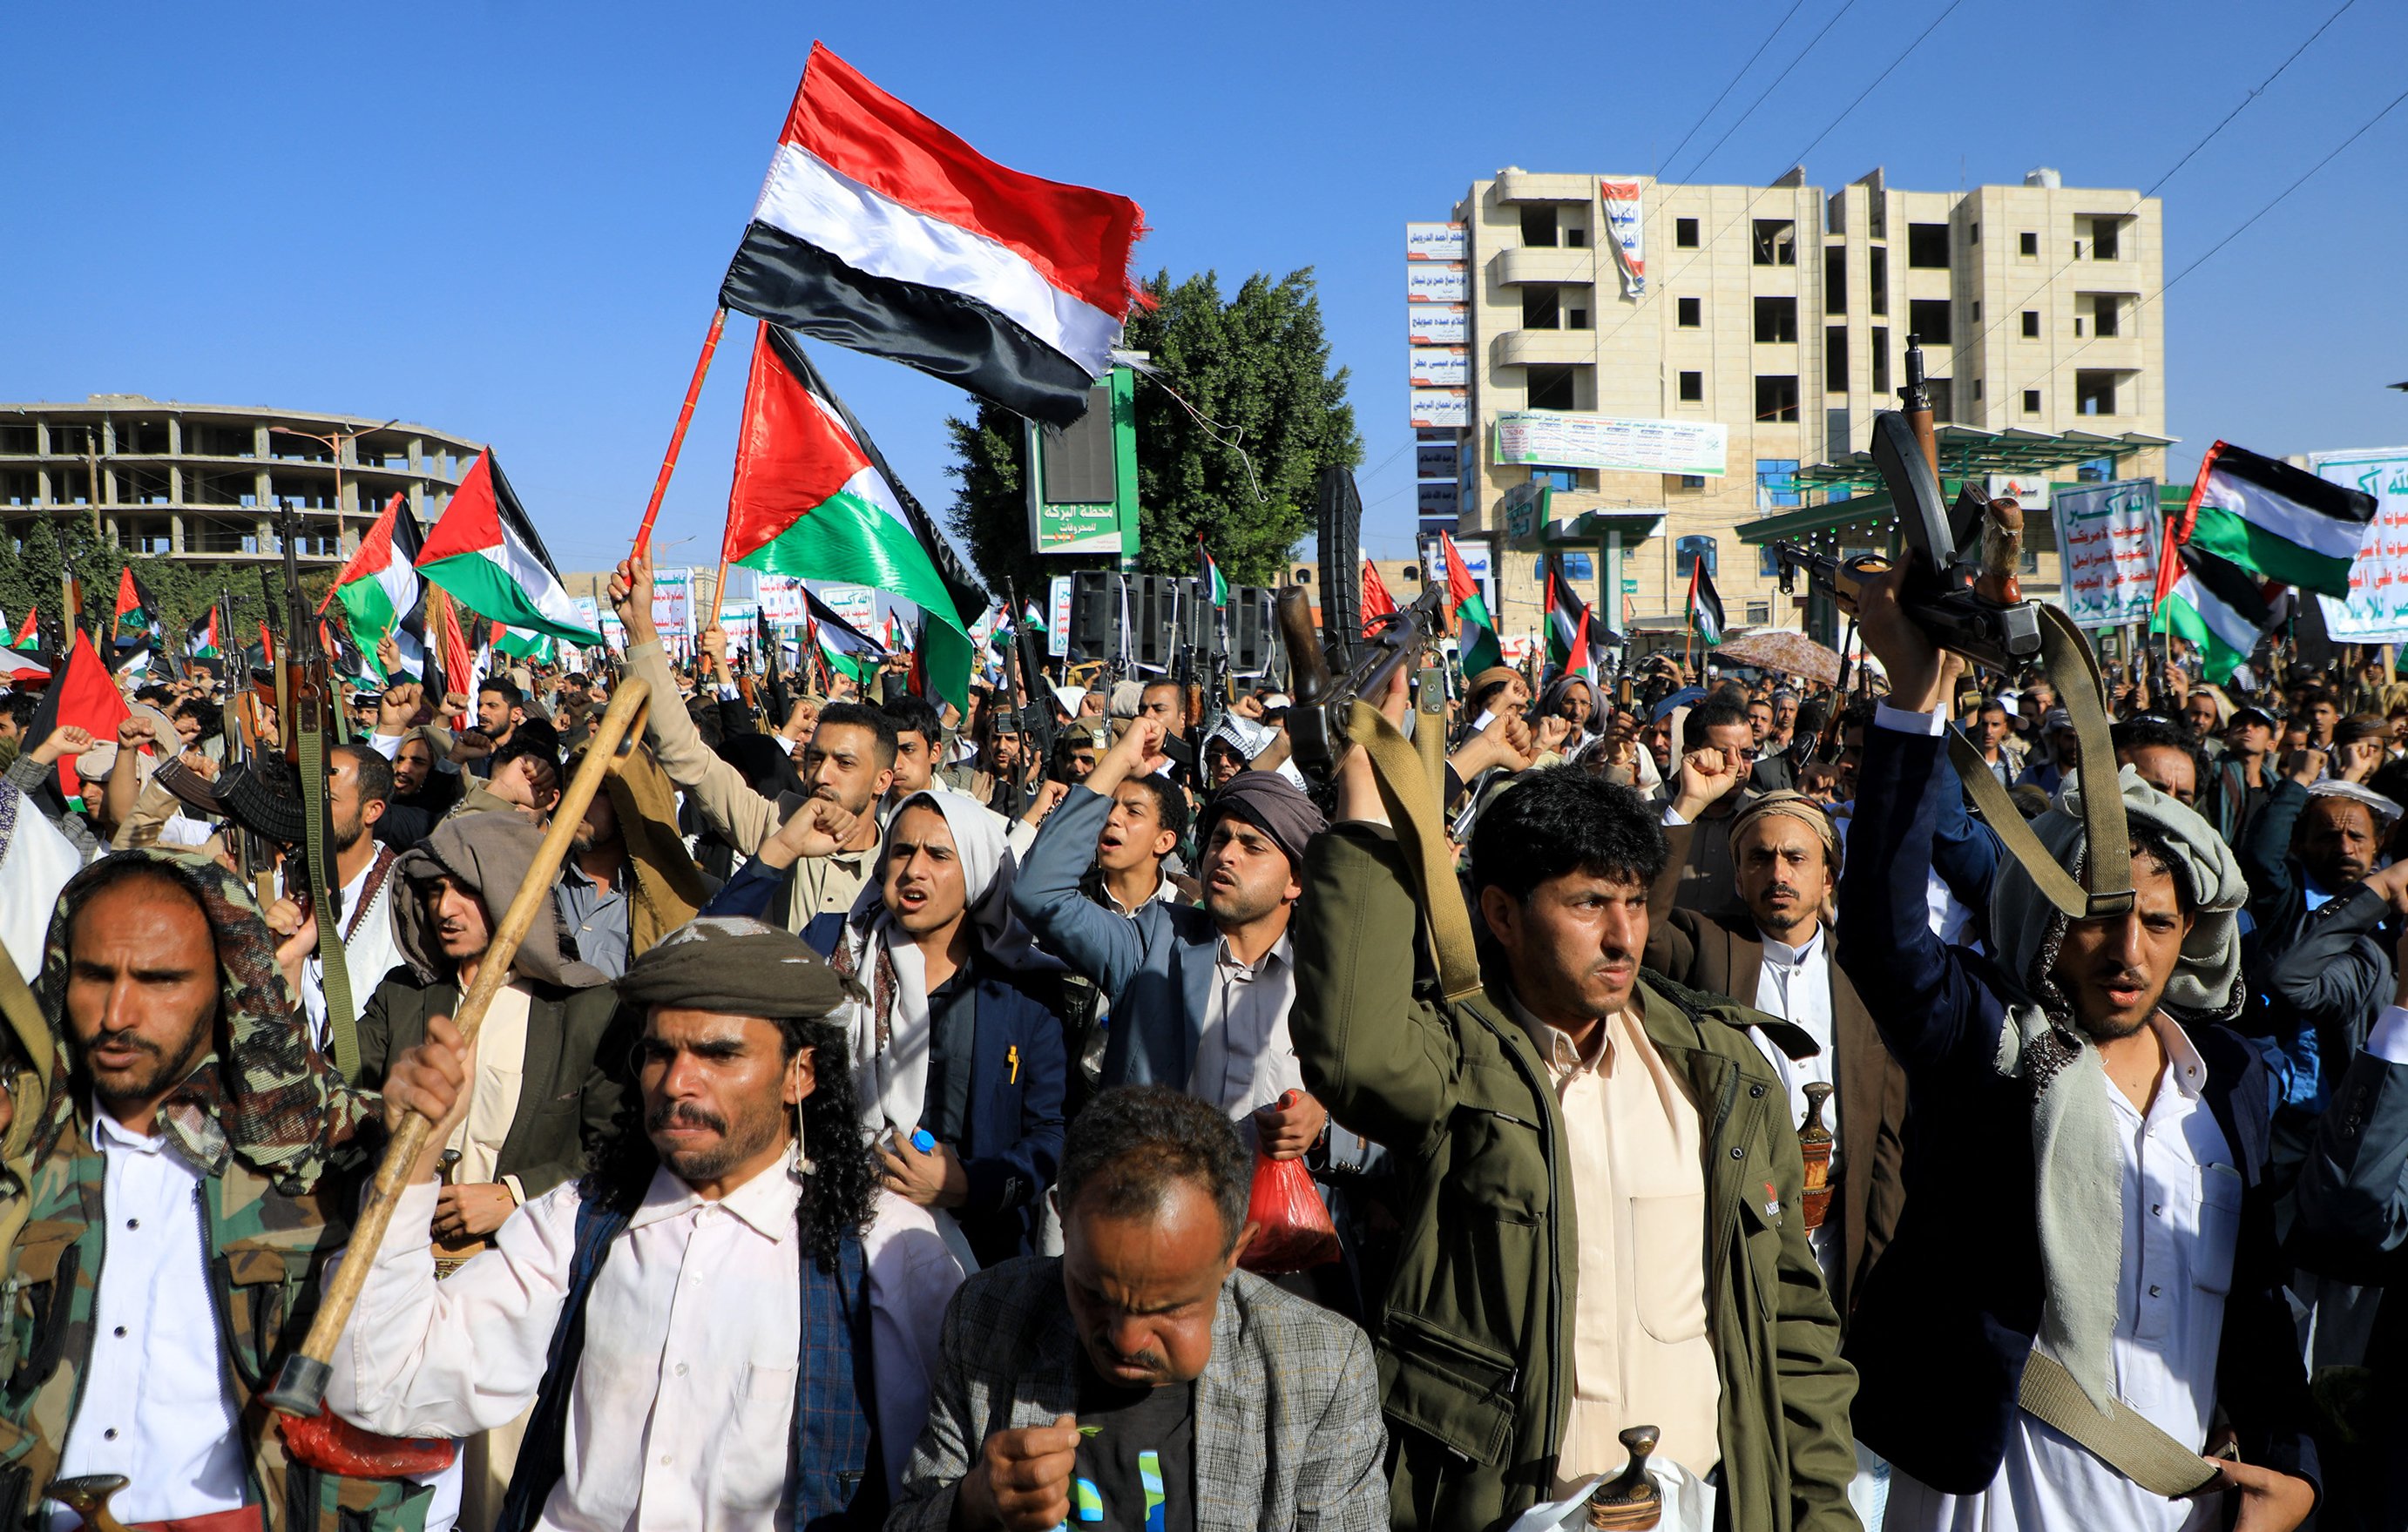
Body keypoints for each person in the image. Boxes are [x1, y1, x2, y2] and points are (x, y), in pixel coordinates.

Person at [1289, 676, 1859, 1531]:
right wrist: (1368, 806)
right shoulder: (1463, 1060)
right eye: (1589, 903)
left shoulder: (1721, 1072)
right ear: (1502, 914)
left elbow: (1793, 1330)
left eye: (1633, 901)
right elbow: (1351, 1052)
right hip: (1512, 1508)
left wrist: (1822, 1514)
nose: (1624, 935)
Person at [1837, 569, 2317, 1532]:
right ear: (2049, 922)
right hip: (1992, 1502)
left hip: (2171, 1503)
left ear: (2191, 938)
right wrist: (1913, 700)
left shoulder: (2225, 1082)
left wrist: (2293, 1469)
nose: (2127, 952)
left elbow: (2259, 1309)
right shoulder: (1994, 1046)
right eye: (2097, 917)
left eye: (2157, 923)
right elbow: (1885, 944)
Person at [331, 916, 965, 1529]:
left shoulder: (888, 1255)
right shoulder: (579, 1222)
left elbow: (930, 1498)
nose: (679, 1081)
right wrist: (413, 1161)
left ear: (799, 1074)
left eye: (719, 1054)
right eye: (660, 1052)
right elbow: (381, 1384)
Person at [0, 851, 432, 1529]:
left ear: (225, 987)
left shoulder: (317, 1157)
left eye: (159, 980)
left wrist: (413, 1142)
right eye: (95, 976)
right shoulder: (23, 1158)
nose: (117, 1013)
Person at [889, 1086, 1389, 1532]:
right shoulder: (989, 1318)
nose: (1126, 1340)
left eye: (1169, 1308)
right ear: (1063, 1223)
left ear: (1234, 1254)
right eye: (1095, 1295)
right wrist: (972, 1506)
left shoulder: (1321, 1370)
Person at [759, 790, 1069, 1269]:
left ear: (977, 873)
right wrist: (778, 851)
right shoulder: (833, 946)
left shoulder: (1025, 988)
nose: (914, 870)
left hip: (977, 1253)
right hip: (832, 1232)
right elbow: (703, 968)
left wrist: (970, 1185)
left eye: (939, 855)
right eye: (902, 851)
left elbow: (1050, 1134)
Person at [1643, 786, 1907, 1330]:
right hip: (1738, 1225)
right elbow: (1641, 931)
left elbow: (1886, 1132)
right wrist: (1685, 807)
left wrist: (1880, 1263)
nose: (1778, 873)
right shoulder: (1709, 945)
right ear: (1739, 878)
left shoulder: (1866, 973)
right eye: (1760, 858)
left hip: (1837, 1231)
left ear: (1827, 877)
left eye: (1796, 858)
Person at [1012, 717, 1333, 1164]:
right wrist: (1120, 760)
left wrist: (1323, 1120)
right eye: (1219, 839)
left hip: (1272, 1206)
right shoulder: (1155, 940)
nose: (1226, 855)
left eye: (1252, 846)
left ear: (1295, 881)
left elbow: (1386, 1115)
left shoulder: (1327, 980)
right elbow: (1038, 893)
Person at [1661, 698, 1762, 913]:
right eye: (1724, 754)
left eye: (1746, 754)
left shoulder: (1762, 820)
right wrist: (1688, 805)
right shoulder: (1656, 818)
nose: (1739, 767)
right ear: (1690, 753)